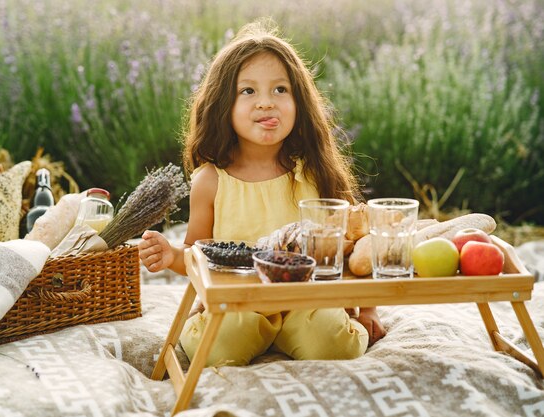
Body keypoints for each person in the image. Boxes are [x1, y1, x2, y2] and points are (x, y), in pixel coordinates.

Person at [138, 19, 386, 367]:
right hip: (241, 303)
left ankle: (315, 332)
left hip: (308, 302)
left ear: (299, 101)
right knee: (218, 347)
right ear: (224, 105)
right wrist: (170, 256)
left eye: (280, 90)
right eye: (248, 91)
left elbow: (358, 245)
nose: (266, 103)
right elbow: (197, 256)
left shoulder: (314, 173)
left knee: (332, 344)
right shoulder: (210, 181)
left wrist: (368, 311)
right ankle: (249, 335)